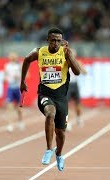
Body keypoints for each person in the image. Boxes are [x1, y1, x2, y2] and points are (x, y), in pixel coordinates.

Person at [20, 27, 82, 171]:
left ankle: (59, 154)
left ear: (62, 42)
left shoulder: (65, 52)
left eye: (58, 41)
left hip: (61, 97)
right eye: (53, 40)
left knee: (60, 132)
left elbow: (77, 72)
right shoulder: (39, 52)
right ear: (47, 40)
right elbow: (26, 60)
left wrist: (70, 56)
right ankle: (49, 149)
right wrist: (22, 81)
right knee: (50, 113)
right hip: (45, 94)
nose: (55, 43)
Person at [66, 49, 87, 131]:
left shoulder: (78, 62)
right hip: (67, 85)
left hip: (75, 84)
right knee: (66, 105)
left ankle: (78, 118)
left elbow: (85, 72)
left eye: (73, 54)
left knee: (78, 104)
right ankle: (66, 123)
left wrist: (80, 66)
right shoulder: (65, 62)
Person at [4, 52, 24, 132]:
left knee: (18, 108)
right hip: (10, 88)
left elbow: (27, 75)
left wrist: (19, 76)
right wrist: (5, 79)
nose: (12, 58)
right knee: (9, 107)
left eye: (13, 56)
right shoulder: (7, 66)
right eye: (10, 56)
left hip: (18, 88)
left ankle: (20, 121)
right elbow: (5, 76)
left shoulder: (20, 65)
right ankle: (10, 124)